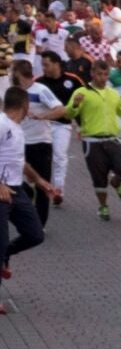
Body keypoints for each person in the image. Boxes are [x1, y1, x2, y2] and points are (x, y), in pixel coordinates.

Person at [54, 58, 121, 222]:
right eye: (99, 74)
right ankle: (103, 207)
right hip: (92, 142)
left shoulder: (113, 94)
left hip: (113, 140)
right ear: (92, 74)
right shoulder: (81, 93)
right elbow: (68, 115)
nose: (102, 78)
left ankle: (116, 182)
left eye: (105, 74)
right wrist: (75, 106)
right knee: (99, 179)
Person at [0, 86, 58, 301]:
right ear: (24, 106)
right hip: (1, 193)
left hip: (16, 190)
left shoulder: (17, 129)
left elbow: (20, 161)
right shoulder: (2, 123)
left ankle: (7, 254)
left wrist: (40, 181)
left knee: (35, 234)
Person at [11, 60, 59, 227]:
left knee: (43, 185)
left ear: (20, 74)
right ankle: (27, 193)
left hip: (41, 143)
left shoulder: (41, 90)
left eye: (13, 74)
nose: (12, 77)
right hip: (20, 144)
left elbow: (61, 109)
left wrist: (43, 116)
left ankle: (40, 224)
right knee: (15, 180)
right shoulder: (14, 93)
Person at [38, 52, 82, 204]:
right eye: (42, 64)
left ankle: (58, 190)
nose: (43, 68)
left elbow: (86, 98)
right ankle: (42, 187)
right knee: (42, 158)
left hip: (62, 125)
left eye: (46, 64)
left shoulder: (72, 79)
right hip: (42, 125)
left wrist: (83, 125)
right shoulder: (39, 82)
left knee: (59, 156)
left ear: (56, 64)